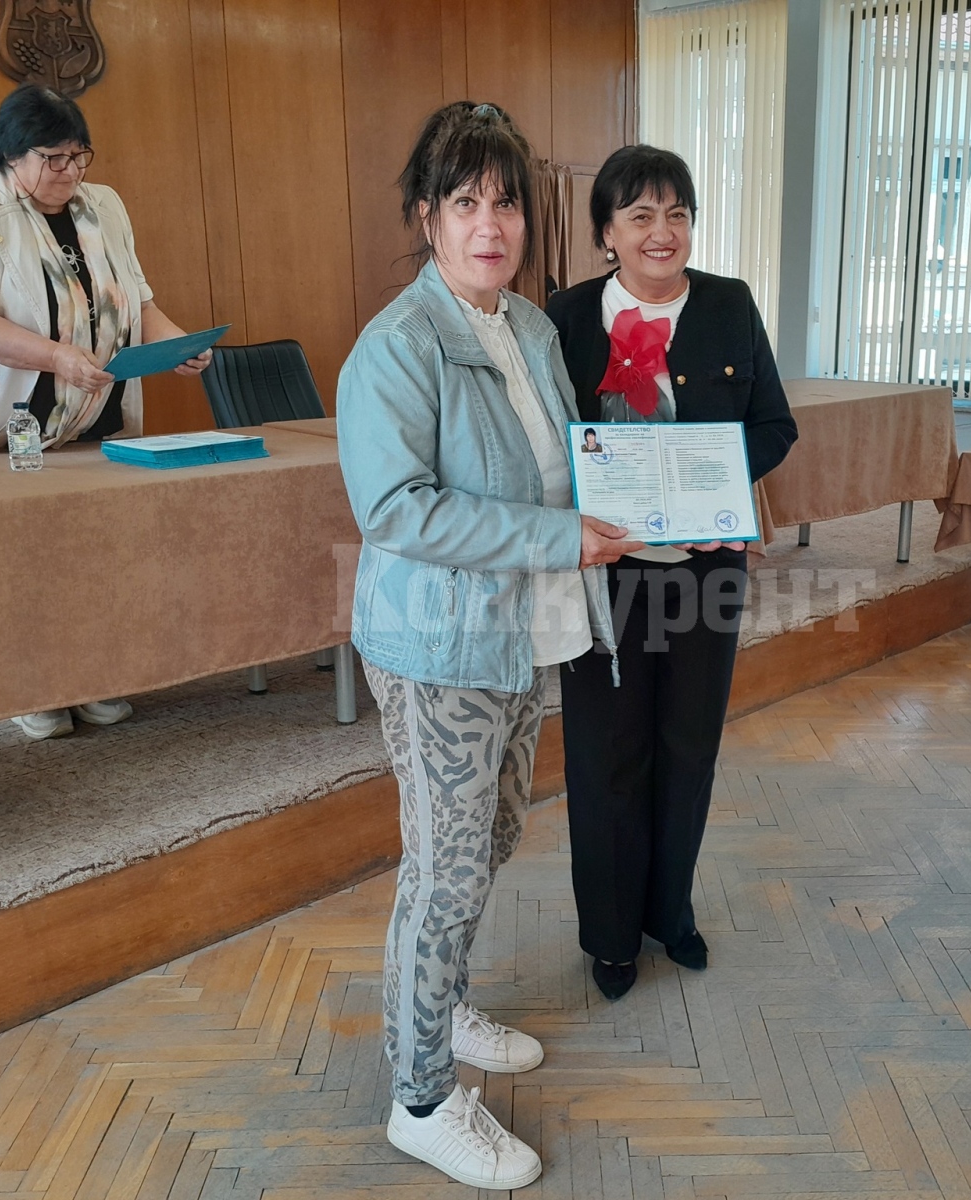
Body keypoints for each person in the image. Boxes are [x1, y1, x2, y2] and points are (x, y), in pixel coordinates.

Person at [336, 102, 642, 1190]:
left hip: (521, 633)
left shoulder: (528, 327)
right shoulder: (397, 346)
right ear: (426, 216)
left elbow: (563, 459)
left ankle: (447, 1003)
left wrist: (653, 492)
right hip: (438, 646)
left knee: (493, 835)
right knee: (445, 869)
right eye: (464, 201)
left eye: (506, 202)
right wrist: (560, 536)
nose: (489, 223)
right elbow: (397, 510)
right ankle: (420, 1098)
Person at [547, 145, 797, 1001]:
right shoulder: (565, 318)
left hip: (704, 572)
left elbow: (774, 425)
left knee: (689, 747)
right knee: (606, 755)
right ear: (606, 232)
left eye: (678, 214)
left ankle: (671, 915)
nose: (663, 232)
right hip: (604, 574)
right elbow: (543, 439)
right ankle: (613, 937)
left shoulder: (729, 305)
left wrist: (712, 484)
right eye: (641, 215)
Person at [0, 84, 212, 741]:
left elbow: (137, 300)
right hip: (10, 420)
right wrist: (57, 357)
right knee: (18, 554)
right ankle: (32, 686)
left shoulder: (103, 204)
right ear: (12, 155)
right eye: (54, 158)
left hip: (91, 413)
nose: (71, 171)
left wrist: (177, 345)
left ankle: (92, 675)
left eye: (80, 155)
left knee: (93, 547)